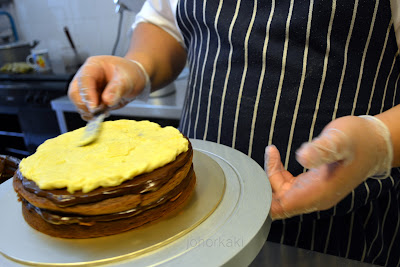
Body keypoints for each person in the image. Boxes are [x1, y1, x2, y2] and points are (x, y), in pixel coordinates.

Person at [68, 0, 400, 265]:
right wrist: (139, 64)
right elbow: (166, 21)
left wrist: (379, 141)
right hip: (191, 224)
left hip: (338, 233)